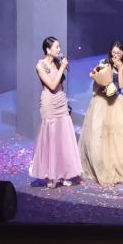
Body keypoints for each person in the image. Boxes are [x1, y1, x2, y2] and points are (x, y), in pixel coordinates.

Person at [80, 43, 123, 186]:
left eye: (118, 53)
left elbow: (121, 85)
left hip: (116, 102)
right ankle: (102, 166)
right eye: (114, 52)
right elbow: (95, 77)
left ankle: (117, 166)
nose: (115, 55)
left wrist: (119, 68)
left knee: (118, 136)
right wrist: (99, 79)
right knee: (100, 134)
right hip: (101, 101)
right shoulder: (103, 63)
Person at [28, 36, 84, 187]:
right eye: (56, 47)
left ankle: (65, 173)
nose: (59, 50)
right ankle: (51, 176)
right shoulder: (40, 65)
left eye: (59, 47)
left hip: (60, 101)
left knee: (63, 138)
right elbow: (52, 85)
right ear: (48, 49)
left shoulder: (58, 63)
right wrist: (62, 68)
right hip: (49, 103)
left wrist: (65, 100)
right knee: (51, 137)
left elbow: (60, 86)